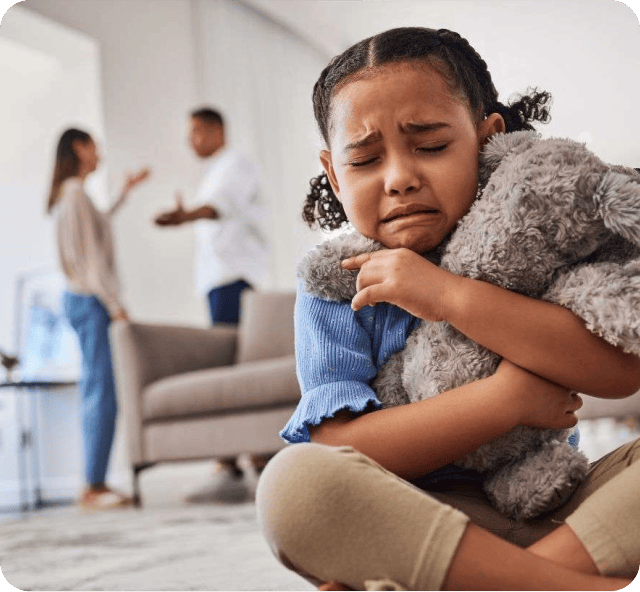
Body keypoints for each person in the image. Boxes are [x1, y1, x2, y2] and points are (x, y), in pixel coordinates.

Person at [255, 27, 640, 591]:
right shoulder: (334, 286)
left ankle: (521, 579)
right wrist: (504, 400)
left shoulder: (534, 237)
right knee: (293, 486)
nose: (400, 178)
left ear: (488, 138)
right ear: (334, 176)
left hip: (562, 509)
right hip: (420, 522)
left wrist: (446, 295)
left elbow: (621, 372)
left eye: (431, 146)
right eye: (364, 160)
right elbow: (338, 447)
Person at [154, 107, 271, 495]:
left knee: (236, 364)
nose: (192, 140)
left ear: (218, 129)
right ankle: (237, 452)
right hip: (220, 281)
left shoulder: (233, 164)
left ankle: (250, 451)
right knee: (230, 361)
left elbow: (217, 207)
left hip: (233, 280)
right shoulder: (214, 171)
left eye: (198, 131)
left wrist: (186, 216)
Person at [47, 128, 150, 510]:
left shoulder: (73, 195)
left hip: (83, 300)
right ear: (79, 148)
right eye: (93, 145)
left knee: (101, 390)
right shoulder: (74, 194)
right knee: (101, 393)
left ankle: (95, 481)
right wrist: (114, 303)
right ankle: (92, 485)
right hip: (90, 301)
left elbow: (97, 227)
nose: (98, 151)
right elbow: (90, 259)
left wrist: (124, 192)